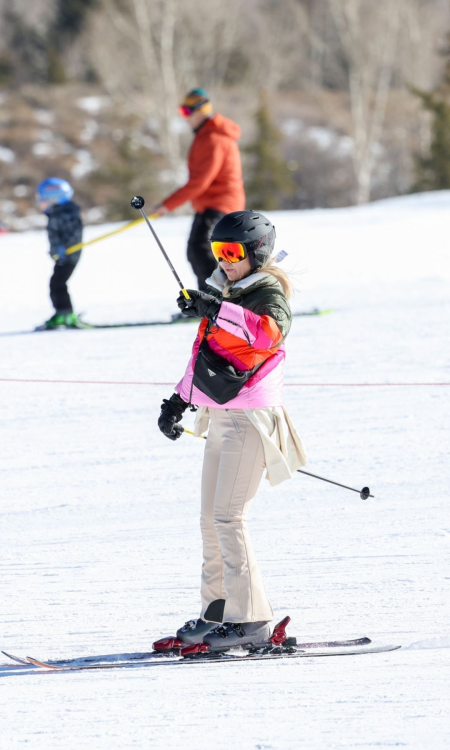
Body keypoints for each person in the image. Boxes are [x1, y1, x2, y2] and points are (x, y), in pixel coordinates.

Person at [155, 210, 307, 653]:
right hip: (221, 416)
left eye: (232, 253)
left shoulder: (266, 293)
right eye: (218, 252)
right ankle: (218, 611)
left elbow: (268, 336)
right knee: (210, 521)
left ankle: (253, 619)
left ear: (256, 254)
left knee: (228, 517)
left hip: (251, 420)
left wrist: (215, 308)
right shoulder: (227, 288)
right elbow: (206, 353)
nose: (223, 261)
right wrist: (179, 399)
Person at [155, 88, 245, 291]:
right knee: (199, 250)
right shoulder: (205, 136)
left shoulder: (214, 139)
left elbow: (200, 182)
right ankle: (214, 301)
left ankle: (216, 302)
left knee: (201, 249)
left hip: (220, 204)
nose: (184, 118)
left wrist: (166, 206)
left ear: (201, 111)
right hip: (209, 204)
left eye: (186, 112)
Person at [36, 177, 83, 329]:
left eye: (43, 199)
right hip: (61, 256)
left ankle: (66, 315)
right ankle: (62, 312)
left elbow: (74, 234)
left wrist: (64, 248)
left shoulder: (66, 213)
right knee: (56, 283)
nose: (41, 203)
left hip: (69, 256)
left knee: (57, 283)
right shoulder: (57, 213)